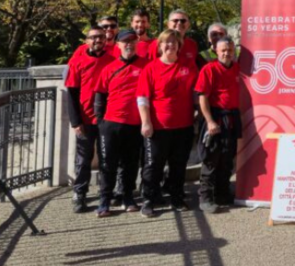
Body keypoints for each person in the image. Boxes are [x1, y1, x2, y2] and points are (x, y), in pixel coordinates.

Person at [137, 29, 199, 217]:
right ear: (160, 46)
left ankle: (176, 197)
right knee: (153, 165)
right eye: (166, 42)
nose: (170, 45)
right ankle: (148, 199)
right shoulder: (151, 68)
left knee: (178, 165)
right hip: (158, 126)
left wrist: (199, 110)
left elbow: (196, 91)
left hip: (184, 125)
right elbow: (142, 98)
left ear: (180, 46)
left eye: (174, 42)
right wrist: (146, 122)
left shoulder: (189, 65)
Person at [94, 30, 148, 216]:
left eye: (133, 41)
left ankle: (127, 196)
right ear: (117, 44)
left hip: (135, 124)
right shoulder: (109, 68)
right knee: (108, 164)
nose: (129, 45)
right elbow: (99, 96)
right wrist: (100, 122)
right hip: (111, 123)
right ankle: (104, 201)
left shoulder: (146, 66)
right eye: (125, 41)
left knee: (130, 163)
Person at [65, 26, 115, 213]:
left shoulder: (112, 61)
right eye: (93, 37)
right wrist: (75, 121)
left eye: (101, 37)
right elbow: (71, 93)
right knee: (83, 159)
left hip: (107, 119)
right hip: (85, 119)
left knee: (107, 159)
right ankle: (79, 193)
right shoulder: (77, 62)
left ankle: (106, 193)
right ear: (86, 41)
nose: (97, 40)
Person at [194, 37, 242, 214]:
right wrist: (209, 121)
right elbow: (202, 97)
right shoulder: (209, 69)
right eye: (223, 50)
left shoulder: (237, 69)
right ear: (216, 51)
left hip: (232, 117)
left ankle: (222, 193)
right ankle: (205, 198)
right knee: (211, 159)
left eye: (230, 50)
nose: (227, 53)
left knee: (227, 158)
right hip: (215, 117)